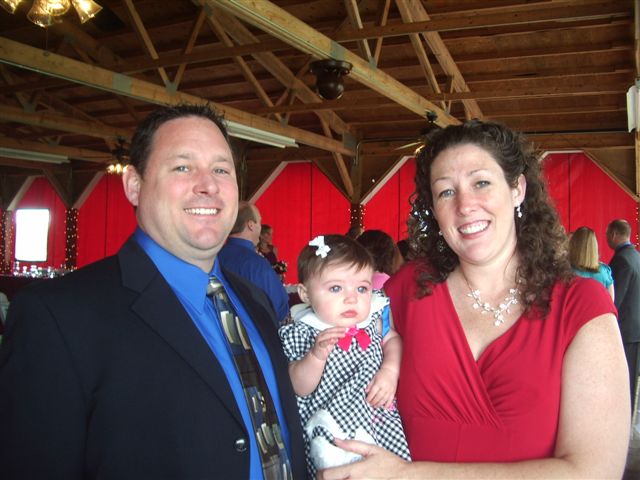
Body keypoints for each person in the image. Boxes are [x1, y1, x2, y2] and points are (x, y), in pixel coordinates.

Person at [0, 104, 305, 479]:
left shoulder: (254, 301)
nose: (208, 185)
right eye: (182, 167)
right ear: (134, 185)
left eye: (221, 170)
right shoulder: (59, 317)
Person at [320, 120, 629, 479]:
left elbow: (596, 471)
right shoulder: (406, 291)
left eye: (481, 183)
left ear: (517, 189)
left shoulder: (581, 307)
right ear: (434, 209)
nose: (465, 205)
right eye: (446, 192)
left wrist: (409, 476)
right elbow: (338, 377)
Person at [279, 234, 410, 478]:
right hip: (331, 425)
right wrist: (316, 357)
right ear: (305, 294)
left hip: (376, 419)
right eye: (336, 288)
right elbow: (299, 387)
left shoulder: (372, 320)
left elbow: (393, 340)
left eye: (362, 288)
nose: (352, 298)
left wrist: (390, 371)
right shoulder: (302, 331)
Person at [218, 202, 290, 325]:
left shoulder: (215, 256)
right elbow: (279, 309)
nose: (260, 228)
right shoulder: (257, 264)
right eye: (259, 222)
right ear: (251, 225)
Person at [607, 218, 640, 409]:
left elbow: (615, 299)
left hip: (625, 329)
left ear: (613, 234)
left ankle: (622, 416)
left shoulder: (622, 260)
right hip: (635, 327)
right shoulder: (636, 256)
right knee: (631, 377)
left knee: (623, 380)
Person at [568, 226, 614, 299]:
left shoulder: (566, 271)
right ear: (595, 246)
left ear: (573, 244)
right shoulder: (604, 272)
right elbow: (610, 303)